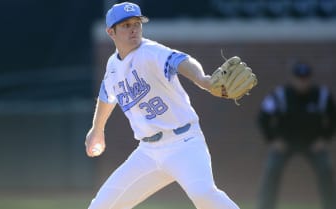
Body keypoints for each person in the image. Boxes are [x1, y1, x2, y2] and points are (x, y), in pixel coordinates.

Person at [84, 2, 255, 209]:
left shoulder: (150, 52)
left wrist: (203, 80)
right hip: (147, 151)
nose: (133, 29)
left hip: (184, 143)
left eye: (137, 23)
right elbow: (107, 94)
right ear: (111, 32)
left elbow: (180, 61)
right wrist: (97, 129)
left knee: (203, 194)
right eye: (126, 25)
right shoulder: (113, 65)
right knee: (101, 206)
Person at [256, 62, 336, 209]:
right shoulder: (280, 95)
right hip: (285, 143)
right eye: (299, 78)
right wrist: (273, 139)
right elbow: (263, 117)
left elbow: (332, 118)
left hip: (313, 143)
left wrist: (324, 139)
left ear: (310, 79)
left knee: (326, 169)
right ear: (293, 78)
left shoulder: (321, 95)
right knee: (271, 169)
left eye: (305, 78)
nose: (302, 82)